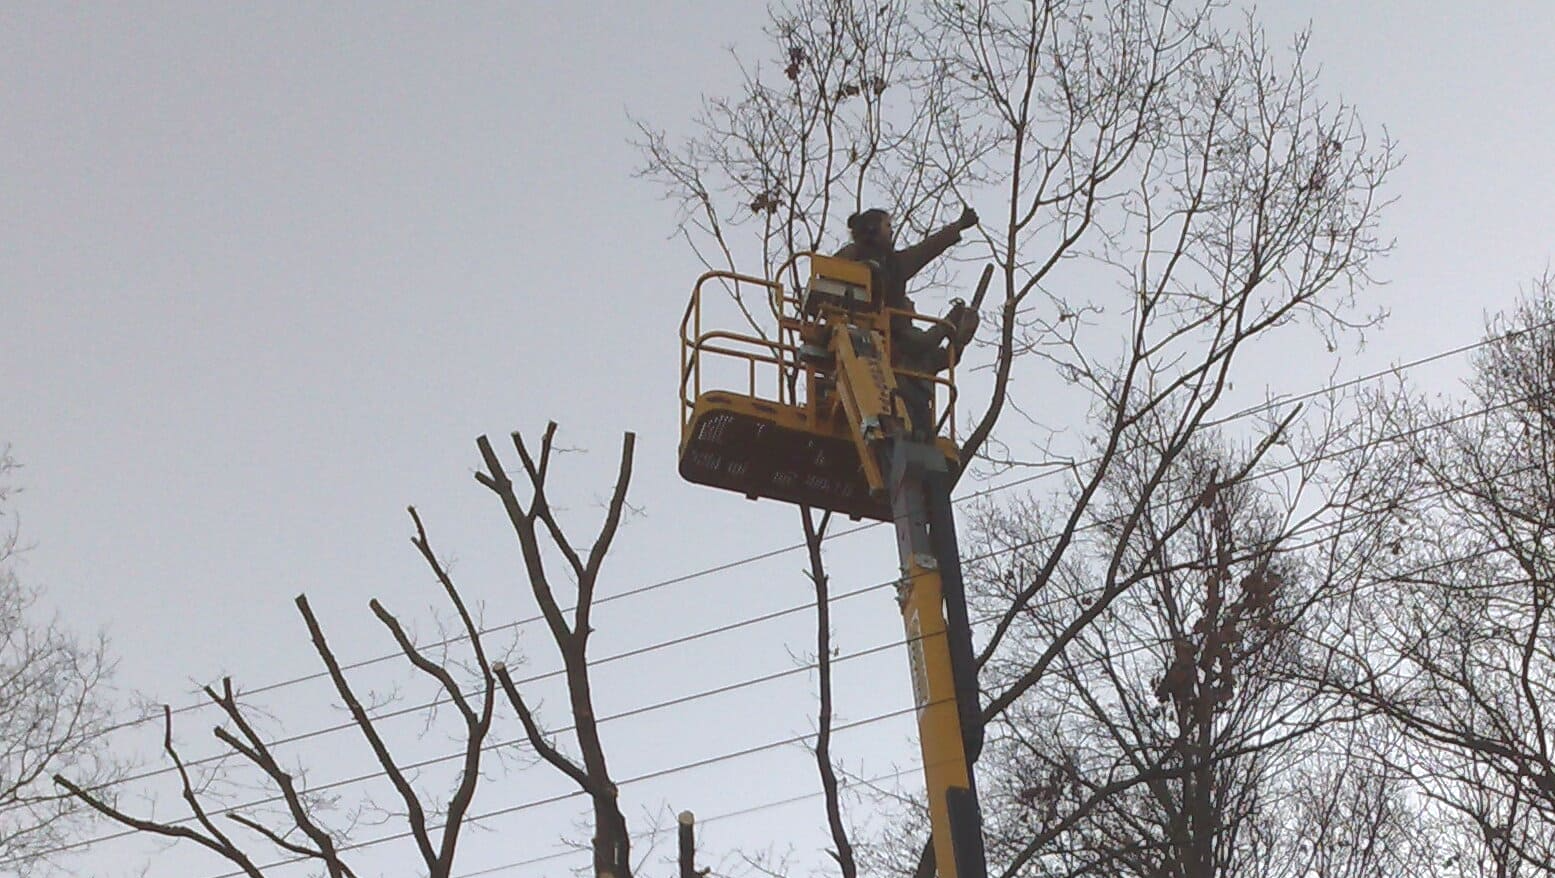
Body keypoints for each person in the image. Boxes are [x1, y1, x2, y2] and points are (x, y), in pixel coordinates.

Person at [836, 206, 980, 436]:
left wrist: (960, 338)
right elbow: (924, 341)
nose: (892, 232)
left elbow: (925, 249)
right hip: (865, 334)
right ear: (872, 229)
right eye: (888, 226)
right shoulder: (853, 256)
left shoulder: (894, 264)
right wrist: (950, 321)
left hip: (915, 412)